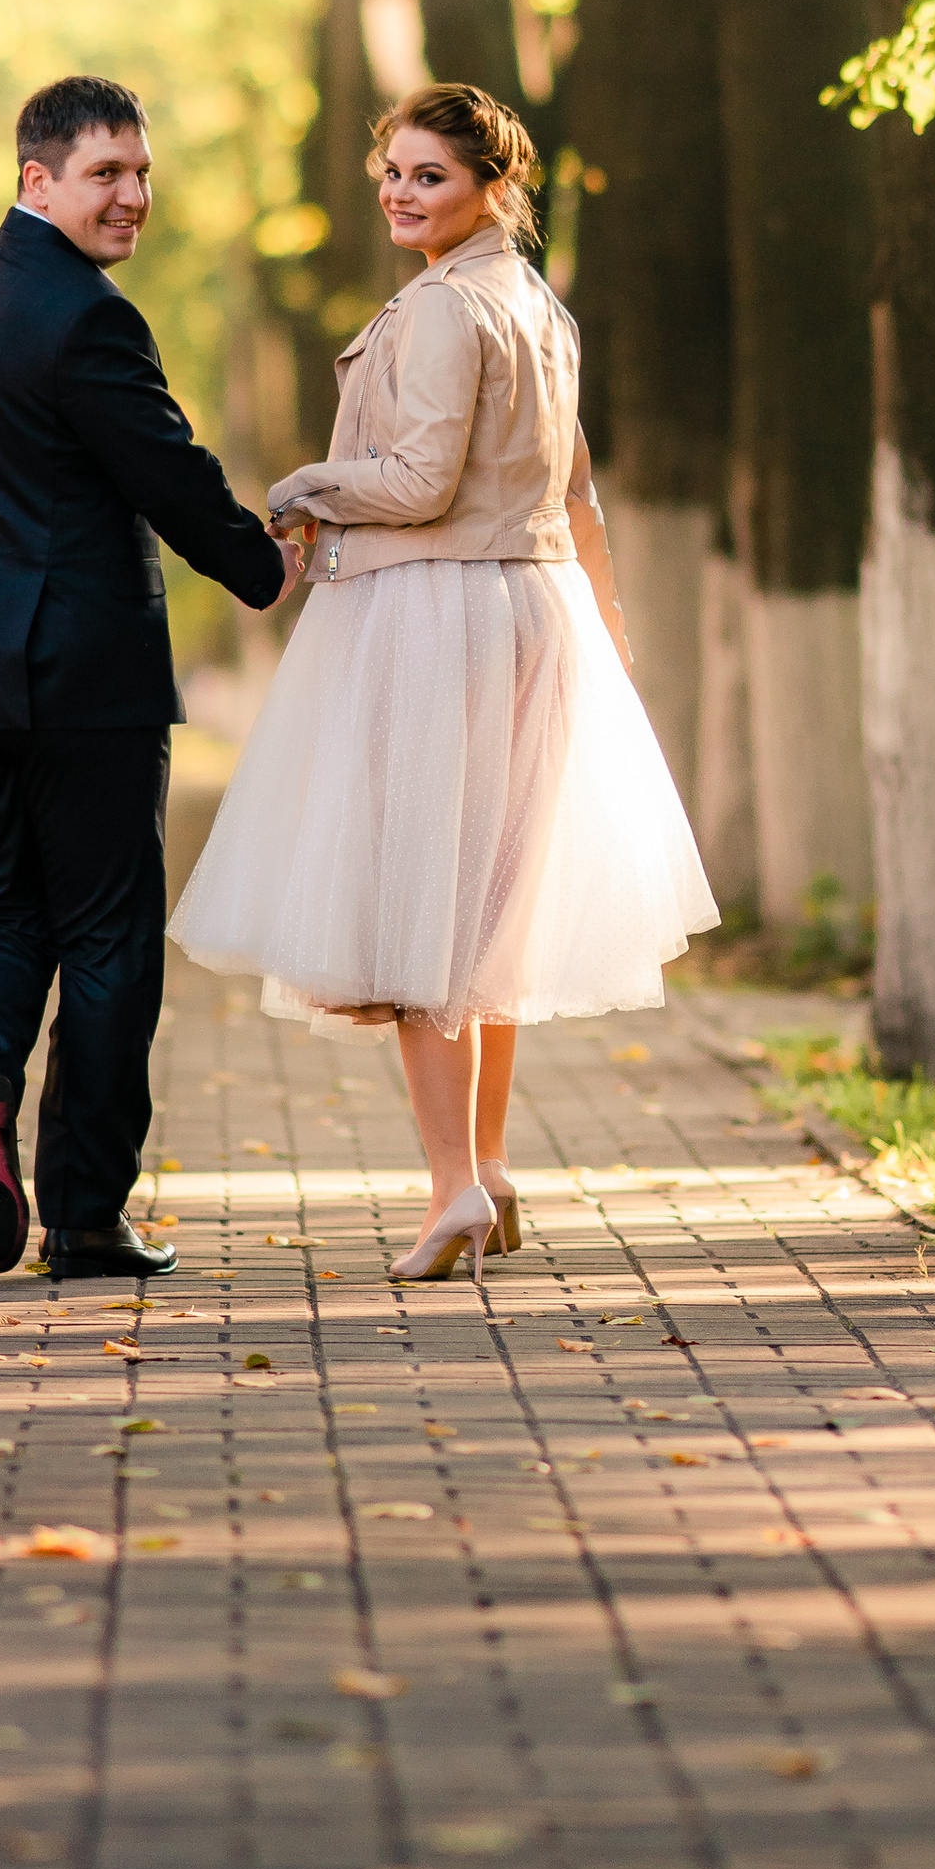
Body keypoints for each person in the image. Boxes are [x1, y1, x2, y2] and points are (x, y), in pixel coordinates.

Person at [170, 81, 716, 1283]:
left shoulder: (439, 311)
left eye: (428, 175)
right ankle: (491, 1163)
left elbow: (416, 481)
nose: (399, 192)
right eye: (393, 171)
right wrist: (606, 630)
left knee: (420, 906)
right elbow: (576, 491)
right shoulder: (540, 309)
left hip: (435, 613)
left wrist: (302, 490)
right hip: (536, 607)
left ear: (493, 188)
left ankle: (453, 1185)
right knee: (491, 908)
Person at [0, 76, 300, 1283]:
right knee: (108, 936)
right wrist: (261, 566)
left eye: (142, 173)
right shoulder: (89, 316)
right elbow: (162, 469)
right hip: (79, 678)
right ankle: (82, 1214)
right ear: (37, 180)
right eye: (106, 173)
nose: (132, 197)